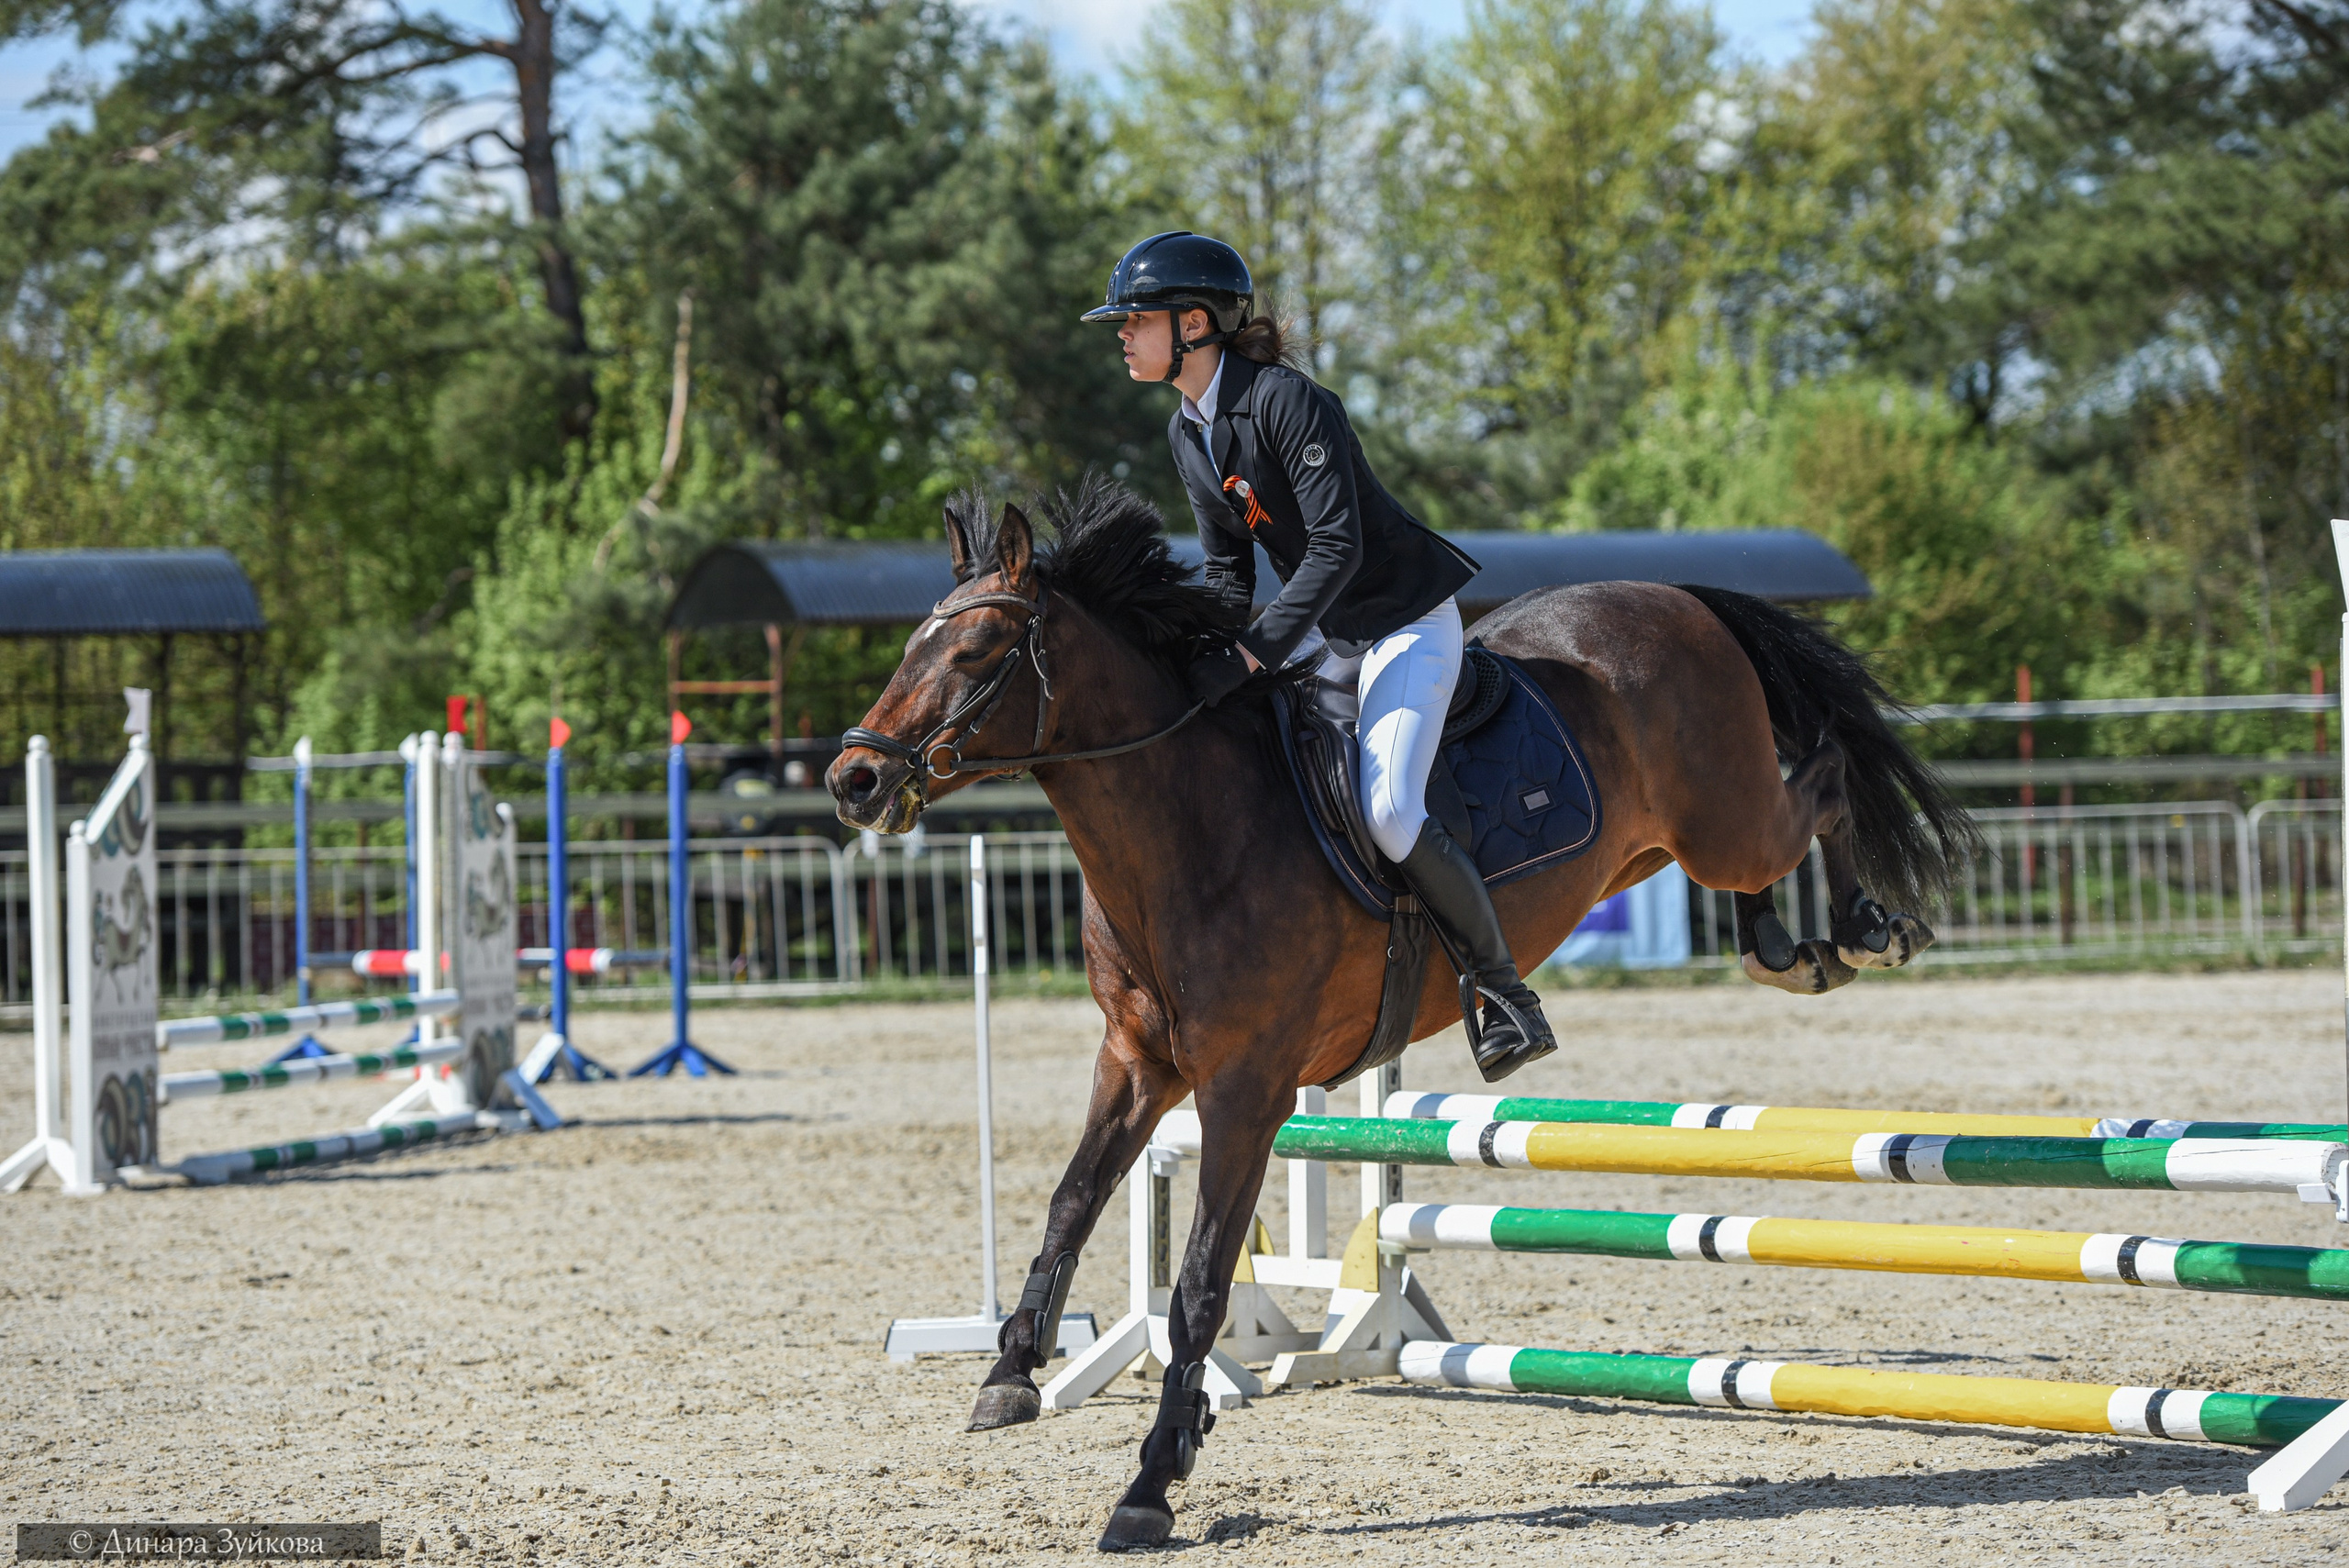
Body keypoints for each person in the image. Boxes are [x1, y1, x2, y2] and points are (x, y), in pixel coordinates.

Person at [1082, 230, 1556, 1082]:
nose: (1122, 333)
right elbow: (1228, 571)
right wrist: (1197, 658)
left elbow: (1335, 550)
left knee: (1390, 812)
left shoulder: (1285, 402)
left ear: (1194, 324)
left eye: (1135, 318)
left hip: (1404, 623)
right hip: (1331, 637)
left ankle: (1501, 989)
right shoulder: (1189, 433)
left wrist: (1254, 654)